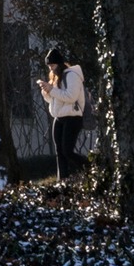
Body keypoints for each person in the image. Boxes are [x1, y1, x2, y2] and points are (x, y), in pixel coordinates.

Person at [38, 46, 86, 178]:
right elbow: (53, 99)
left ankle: (91, 167)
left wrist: (52, 90)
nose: (50, 69)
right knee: (59, 152)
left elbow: (71, 96)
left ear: (59, 64)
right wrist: (46, 91)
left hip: (73, 117)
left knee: (67, 151)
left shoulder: (71, 75)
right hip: (58, 117)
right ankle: (63, 181)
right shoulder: (55, 77)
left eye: (52, 65)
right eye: (49, 66)